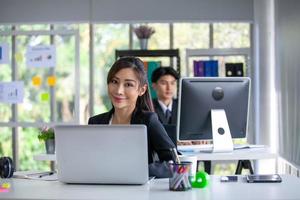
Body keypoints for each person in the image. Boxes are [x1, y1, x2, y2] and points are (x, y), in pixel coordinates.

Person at [88, 57, 176, 178]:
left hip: (138, 192)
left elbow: (174, 163)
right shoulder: (95, 122)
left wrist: (139, 171)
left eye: (128, 84)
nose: (119, 91)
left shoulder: (148, 121)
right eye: (114, 82)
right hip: (102, 188)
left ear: (141, 90)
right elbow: (89, 162)